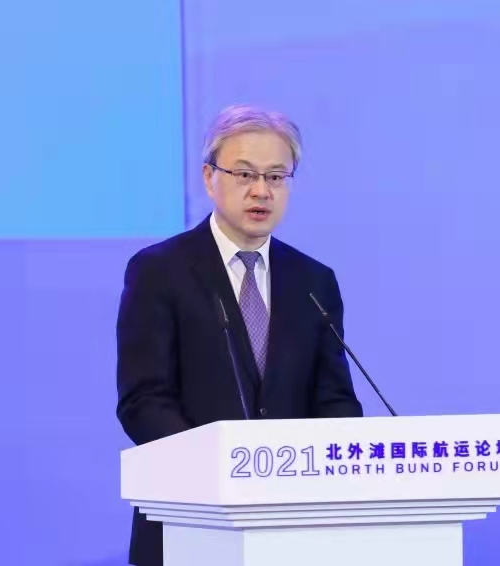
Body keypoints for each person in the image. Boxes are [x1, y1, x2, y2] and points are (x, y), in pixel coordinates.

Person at [115, 104, 364, 566]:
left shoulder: (314, 281)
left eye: (276, 177)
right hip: (188, 522)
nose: (261, 190)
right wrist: (218, 471)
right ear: (209, 177)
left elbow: (335, 399)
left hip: (294, 529)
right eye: (245, 173)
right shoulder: (160, 271)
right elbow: (143, 400)